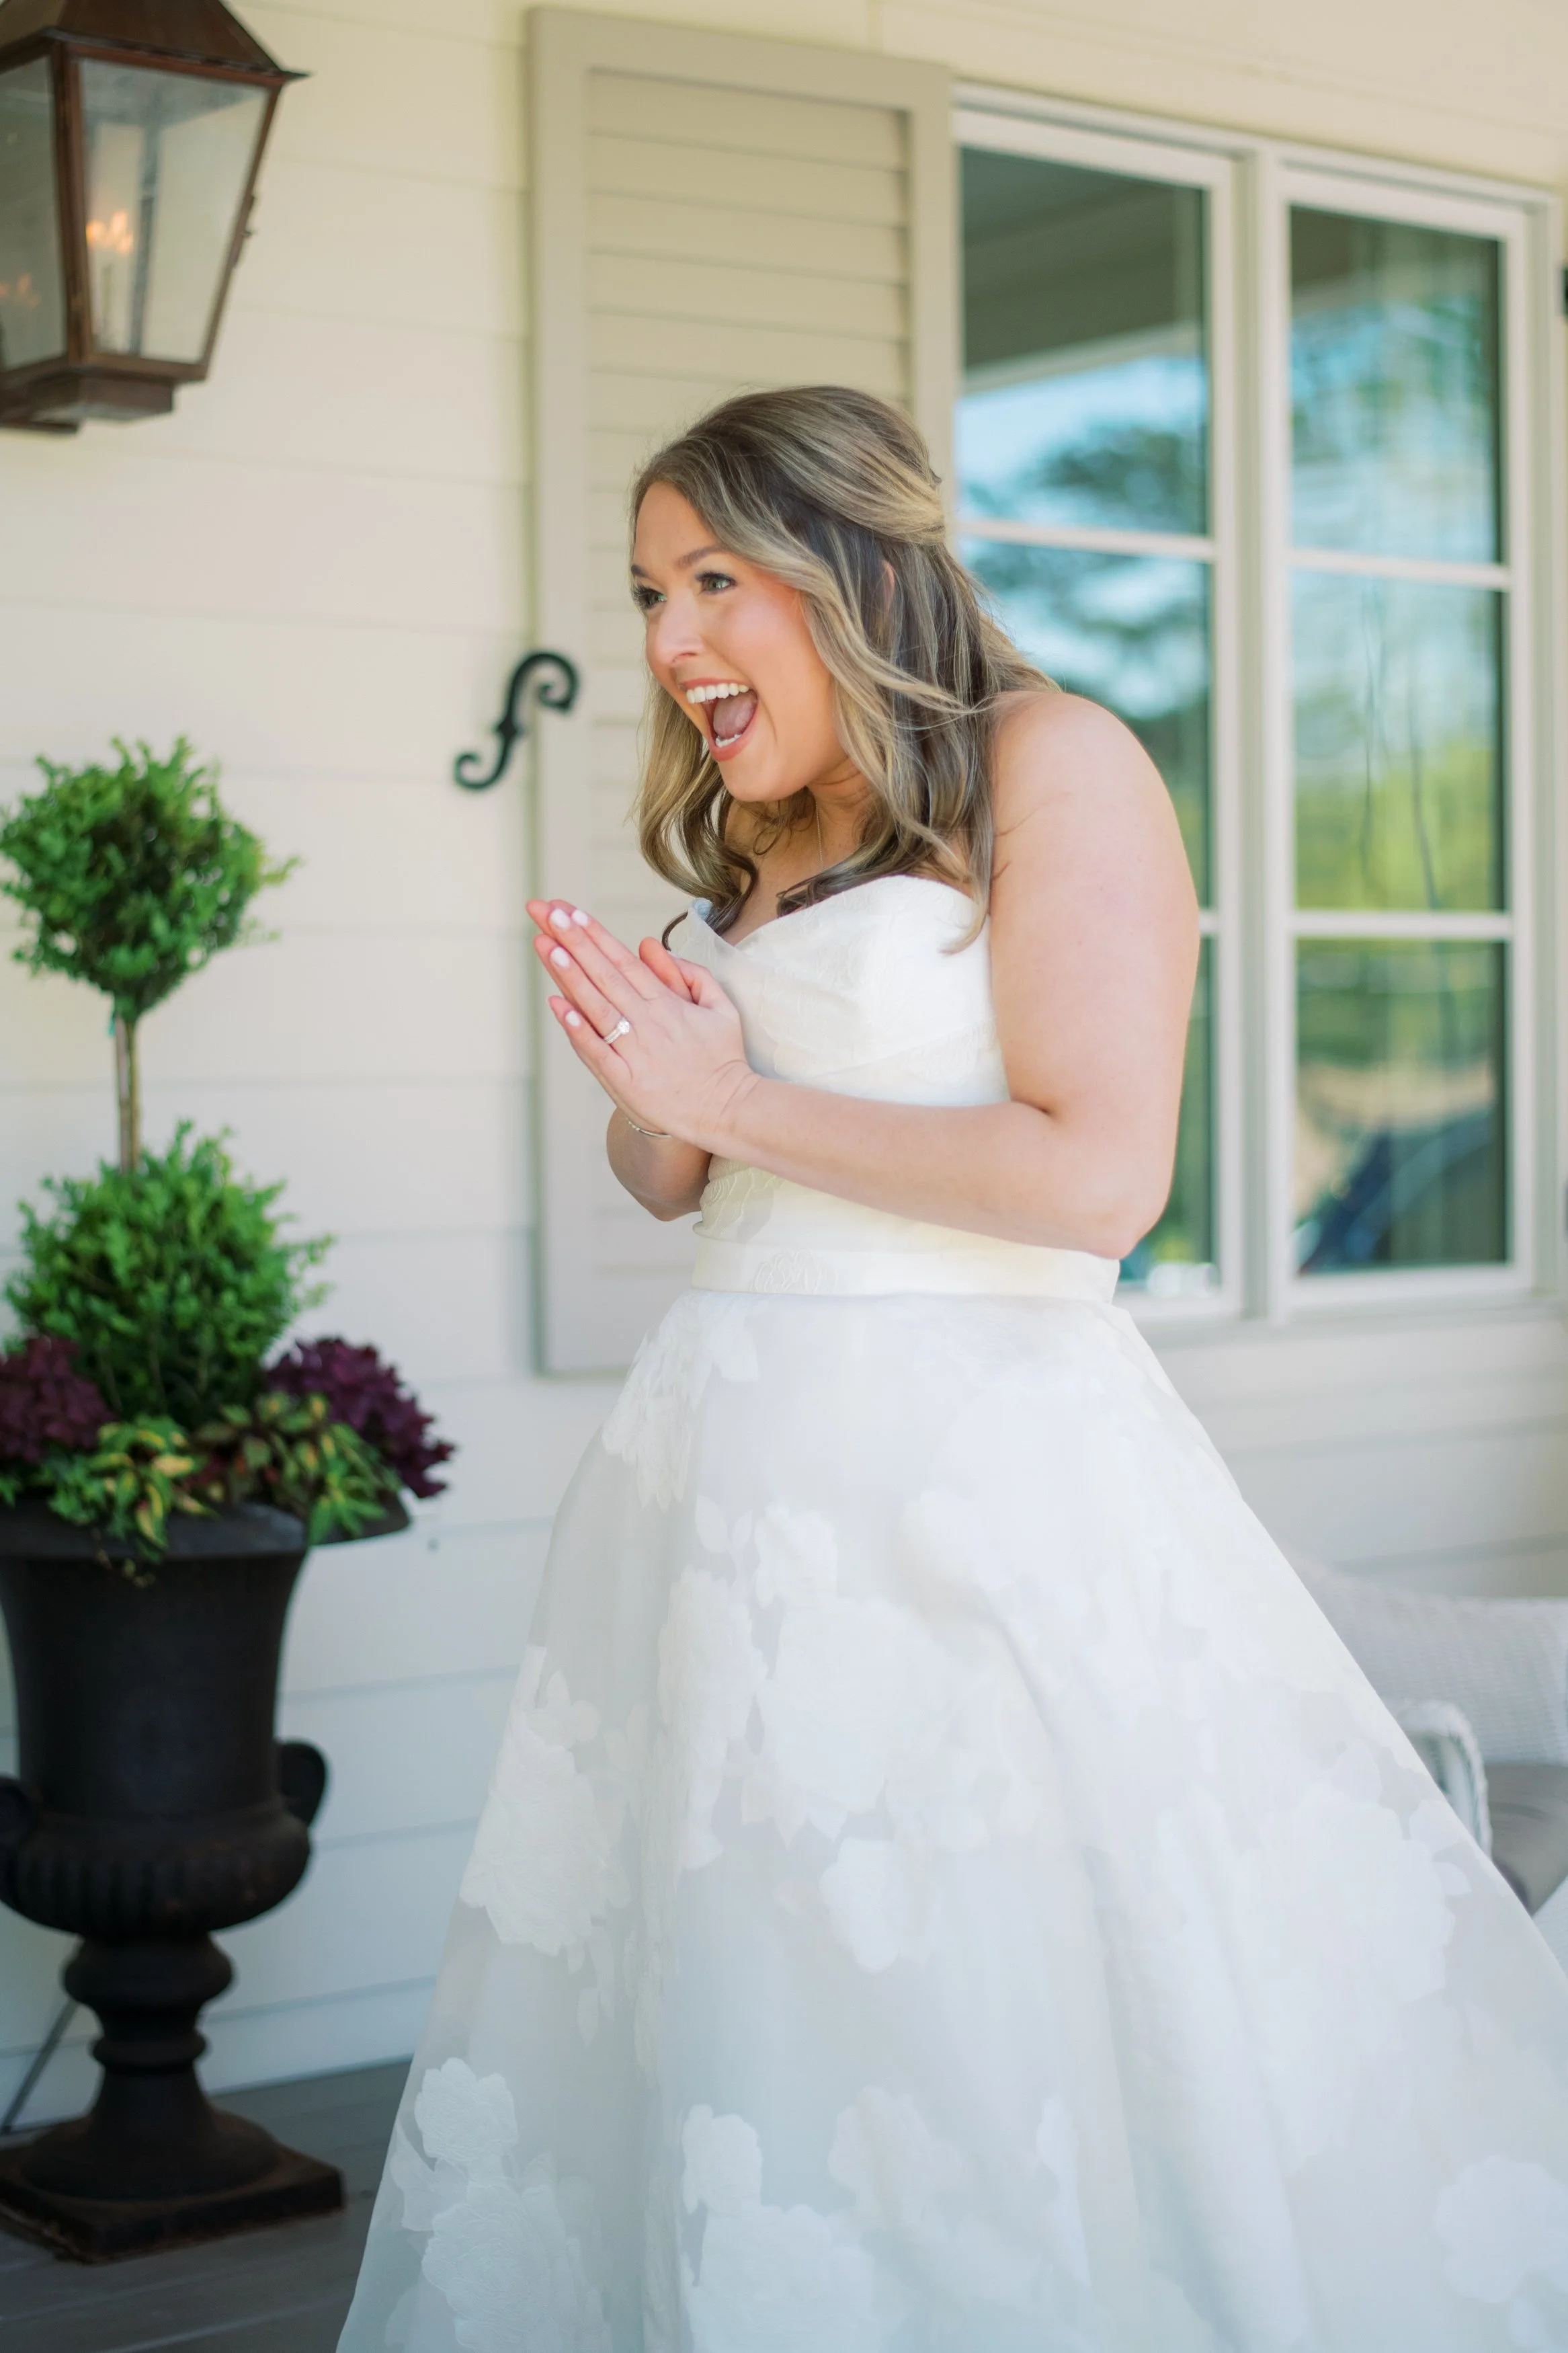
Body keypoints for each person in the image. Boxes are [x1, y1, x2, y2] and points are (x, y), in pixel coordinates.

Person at [339, 387, 1568, 2353]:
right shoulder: (759, 827)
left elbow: (1094, 1174)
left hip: (972, 1497)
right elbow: (679, 1175)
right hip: (720, 1508)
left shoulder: (1053, 762)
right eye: (652, 588)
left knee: (968, 1994)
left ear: (858, 560)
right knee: (750, 1984)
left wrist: (736, 1088)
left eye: (712, 579)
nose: (668, 640)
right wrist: (658, 1088)